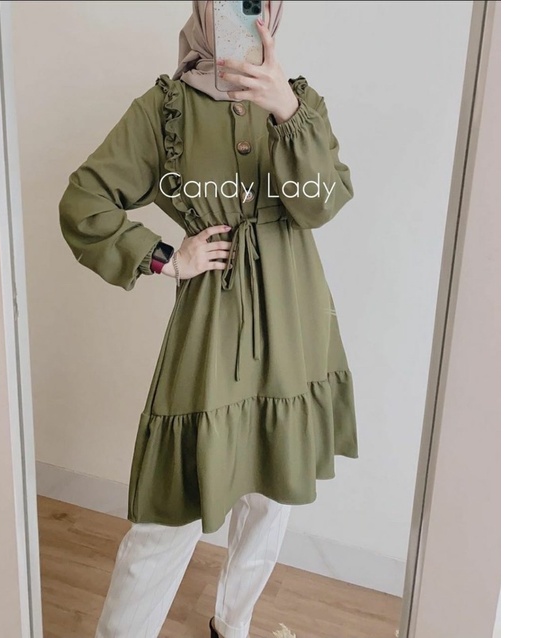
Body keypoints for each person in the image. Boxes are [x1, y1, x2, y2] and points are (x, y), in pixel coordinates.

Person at [58, 2, 358, 637]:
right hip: (212, 325)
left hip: (294, 319)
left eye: (258, 3)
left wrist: (286, 110)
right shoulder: (164, 109)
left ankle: (234, 624)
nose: (244, 15)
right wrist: (168, 257)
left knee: (272, 495)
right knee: (172, 509)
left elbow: (320, 204)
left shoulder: (300, 103)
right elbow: (84, 201)